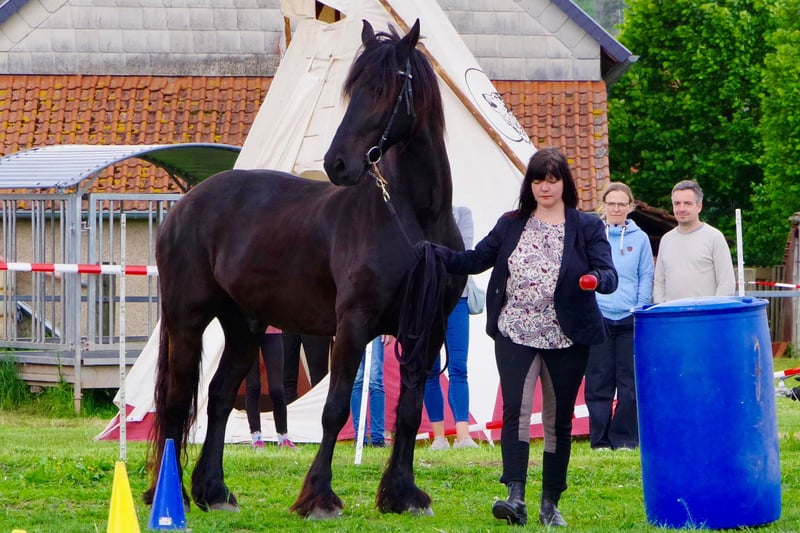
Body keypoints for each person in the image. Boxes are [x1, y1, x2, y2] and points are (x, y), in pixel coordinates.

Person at [428, 147, 617, 527]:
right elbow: (475, 260)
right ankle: (515, 496)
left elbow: (609, 275)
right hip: (514, 331)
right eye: (538, 180)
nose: (545, 187)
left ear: (564, 184)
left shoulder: (587, 226)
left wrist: (594, 279)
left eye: (552, 180)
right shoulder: (511, 223)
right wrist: (433, 253)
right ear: (529, 184)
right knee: (515, 410)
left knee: (558, 420)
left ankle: (550, 503)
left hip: (566, 336)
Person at [584, 182, 653, 451]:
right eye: (611, 203)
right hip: (598, 317)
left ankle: (624, 438)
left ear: (630, 207)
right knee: (598, 381)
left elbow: (645, 275)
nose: (616, 208)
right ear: (603, 205)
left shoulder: (640, 239)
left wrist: (640, 309)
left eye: (621, 204)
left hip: (629, 319)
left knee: (629, 383)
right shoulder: (592, 235)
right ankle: (600, 440)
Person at [425, 205, 479, 450]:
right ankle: (438, 437)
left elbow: (463, 251)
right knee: (429, 369)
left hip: (458, 297)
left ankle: (463, 435)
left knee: (459, 366)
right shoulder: (418, 214)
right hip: (426, 300)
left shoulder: (461, 213)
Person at [653, 180, 735, 303]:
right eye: (677, 203)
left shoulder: (714, 237)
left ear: (699, 206)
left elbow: (726, 283)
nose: (681, 209)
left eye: (687, 203)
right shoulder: (666, 240)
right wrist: (662, 308)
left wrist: (714, 310)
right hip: (672, 313)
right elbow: (659, 282)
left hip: (705, 313)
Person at [245, 326, 297, 449]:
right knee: (253, 385)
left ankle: (283, 437)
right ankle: (256, 437)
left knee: (276, 388)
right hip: (248, 331)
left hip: (272, 331)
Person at [350, 336, 391, 447]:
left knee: (375, 380)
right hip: (352, 328)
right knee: (357, 381)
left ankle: (377, 438)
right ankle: (360, 437)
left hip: (375, 330)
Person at [282, 332, 331, 403]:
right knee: (286, 384)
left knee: (319, 382)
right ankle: (288, 410)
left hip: (316, 327)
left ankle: (320, 409)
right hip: (286, 327)